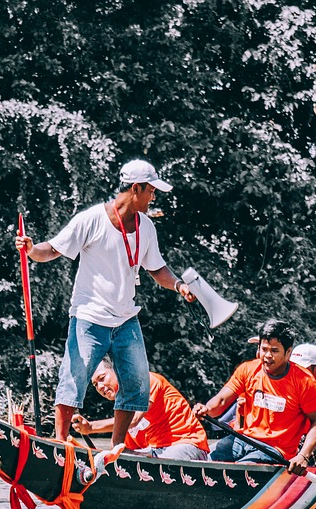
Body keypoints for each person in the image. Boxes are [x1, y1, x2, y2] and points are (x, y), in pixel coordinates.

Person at [16, 159, 196, 444]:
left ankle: (117, 446)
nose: (153, 197)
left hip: (126, 318)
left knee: (136, 382)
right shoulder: (92, 219)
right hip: (89, 316)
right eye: (151, 191)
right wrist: (31, 249)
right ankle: (60, 442)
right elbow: (52, 249)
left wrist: (178, 285)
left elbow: (157, 268)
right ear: (135, 189)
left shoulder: (146, 227)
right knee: (75, 377)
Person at [192, 320, 316, 475]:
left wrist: (303, 455)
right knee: (204, 462)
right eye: (264, 349)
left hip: (275, 450)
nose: (267, 356)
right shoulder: (248, 369)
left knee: (240, 472)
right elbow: (221, 400)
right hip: (243, 440)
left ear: (288, 353)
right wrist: (206, 409)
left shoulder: (304, 381)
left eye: (274, 351)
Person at [71, 360, 209, 461]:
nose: (100, 387)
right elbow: (124, 448)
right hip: (155, 452)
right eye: (95, 384)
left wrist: (90, 427)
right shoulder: (121, 408)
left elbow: (134, 420)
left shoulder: (146, 381)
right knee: (115, 457)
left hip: (188, 445)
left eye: (102, 378)